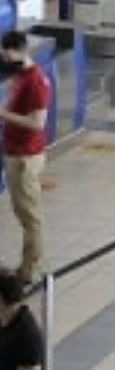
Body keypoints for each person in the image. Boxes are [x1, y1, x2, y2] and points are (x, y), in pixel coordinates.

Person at [0, 32, 50, 285]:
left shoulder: (35, 81)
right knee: (23, 212)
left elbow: (36, 123)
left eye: (6, 52)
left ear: (19, 50)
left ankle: (29, 271)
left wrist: (2, 114)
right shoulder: (21, 75)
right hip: (16, 153)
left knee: (30, 216)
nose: (4, 57)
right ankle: (27, 265)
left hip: (25, 157)